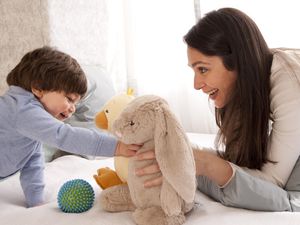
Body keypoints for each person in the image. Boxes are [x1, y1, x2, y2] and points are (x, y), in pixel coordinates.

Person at [135, 7, 300, 211]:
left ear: (237, 61)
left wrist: (203, 164)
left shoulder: (290, 82)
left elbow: (271, 185)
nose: (196, 84)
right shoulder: (247, 90)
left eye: (203, 69)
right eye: (194, 71)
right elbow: (244, 165)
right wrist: (184, 151)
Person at [0, 46, 141, 208]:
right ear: (38, 89)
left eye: (76, 103)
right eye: (69, 99)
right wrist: (116, 147)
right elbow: (66, 136)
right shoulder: (22, 109)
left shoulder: (31, 122)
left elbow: (32, 163)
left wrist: (36, 202)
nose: (73, 108)